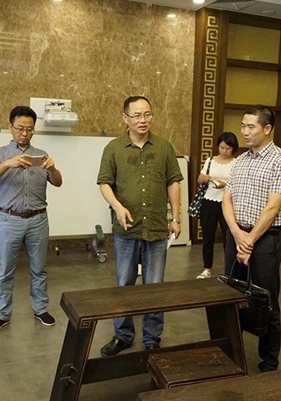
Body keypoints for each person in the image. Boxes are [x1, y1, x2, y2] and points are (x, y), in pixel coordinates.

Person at [97, 95, 183, 356]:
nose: (143, 120)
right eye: (137, 115)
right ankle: (122, 335)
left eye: (147, 114)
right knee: (124, 284)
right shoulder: (113, 148)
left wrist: (175, 217)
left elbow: (173, 182)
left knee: (154, 286)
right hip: (126, 229)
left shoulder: (164, 147)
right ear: (125, 118)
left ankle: (152, 337)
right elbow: (104, 183)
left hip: (156, 227)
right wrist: (117, 206)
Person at [222, 105, 281, 372]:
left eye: (250, 127)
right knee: (232, 295)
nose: (245, 131)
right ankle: (232, 353)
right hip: (236, 234)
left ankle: (269, 361)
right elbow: (227, 200)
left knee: (266, 299)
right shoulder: (240, 160)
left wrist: (249, 241)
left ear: (267, 129)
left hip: (264, 239)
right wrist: (236, 233)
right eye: (243, 126)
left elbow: (273, 207)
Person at [0, 106, 62, 334]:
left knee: (39, 269)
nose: (24, 133)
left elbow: (57, 182)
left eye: (29, 129)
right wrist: (8, 163)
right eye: (20, 128)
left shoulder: (41, 155)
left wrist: (53, 168)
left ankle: (40, 309)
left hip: (38, 220)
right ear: (10, 127)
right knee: (6, 270)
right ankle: (2, 314)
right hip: (10, 220)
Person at [196, 132, 239, 279]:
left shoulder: (236, 162)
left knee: (229, 237)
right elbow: (199, 179)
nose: (224, 151)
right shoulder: (210, 160)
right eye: (222, 147)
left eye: (228, 148)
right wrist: (204, 178)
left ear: (233, 148)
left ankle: (230, 270)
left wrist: (225, 184)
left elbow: (238, 183)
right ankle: (207, 268)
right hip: (209, 201)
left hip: (228, 203)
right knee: (208, 236)